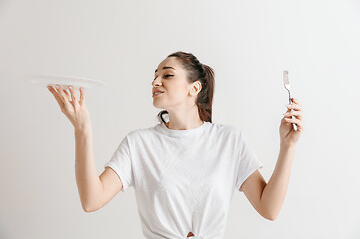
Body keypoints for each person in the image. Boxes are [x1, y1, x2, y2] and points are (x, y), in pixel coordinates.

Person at [47, 51, 305, 239]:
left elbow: (269, 208)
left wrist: (288, 146)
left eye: (167, 75)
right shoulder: (139, 144)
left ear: (194, 88)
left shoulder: (229, 140)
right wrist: (82, 129)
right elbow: (92, 200)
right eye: (154, 76)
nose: (155, 82)